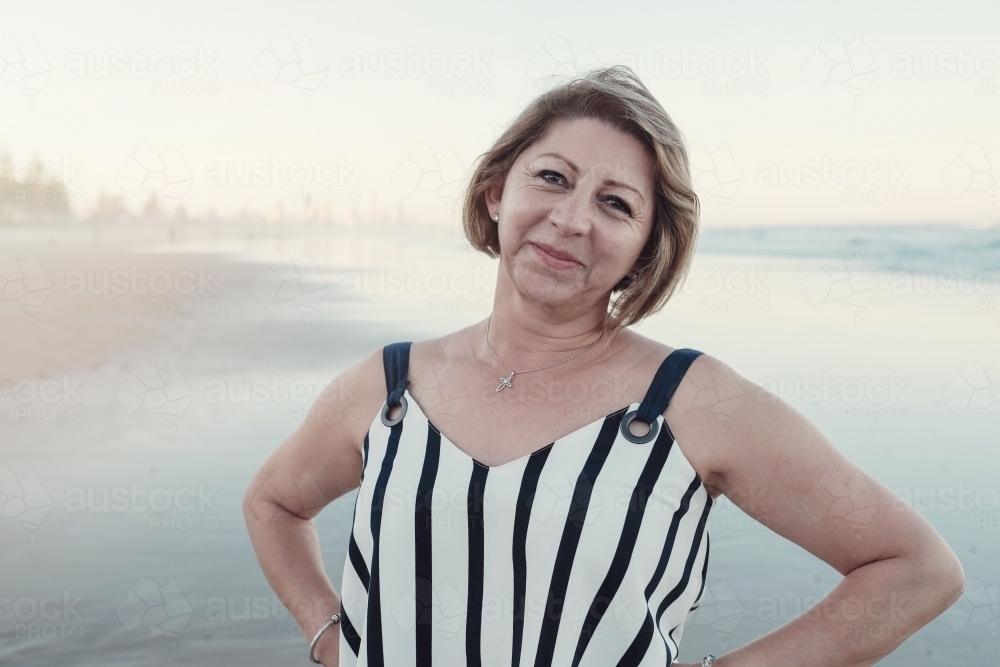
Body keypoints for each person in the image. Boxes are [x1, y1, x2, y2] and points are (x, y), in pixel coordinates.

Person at [243, 66, 964, 667]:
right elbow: (272, 502)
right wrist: (328, 634)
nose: (572, 219)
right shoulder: (387, 384)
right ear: (498, 192)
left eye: (616, 203)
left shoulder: (691, 400)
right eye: (552, 177)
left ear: (647, 245)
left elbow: (917, 568)